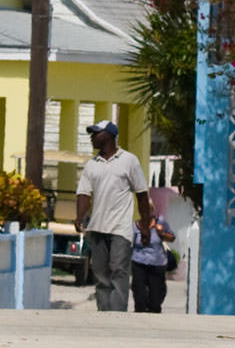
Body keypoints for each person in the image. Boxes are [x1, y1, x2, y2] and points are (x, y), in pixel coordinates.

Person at [75, 120, 152, 312]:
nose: (92, 138)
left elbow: (142, 194)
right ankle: (104, 314)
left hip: (120, 229)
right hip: (96, 227)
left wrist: (145, 224)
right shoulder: (91, 165)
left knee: (118, 270)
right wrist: (79, 216)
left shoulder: (129, 160)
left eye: (96, 134)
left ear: (109, 135)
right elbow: (84, 193)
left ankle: (117, 316)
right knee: (101, 276)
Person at [130, 213, 176, 313]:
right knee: (139, 298)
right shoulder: (135, 225)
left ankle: (154, 316)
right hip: (139, 262)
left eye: (149, 209)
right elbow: (130, 244)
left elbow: (172, 237)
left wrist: (161, 232)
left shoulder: (161, 222)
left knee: (155, 301)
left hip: (157, 263)